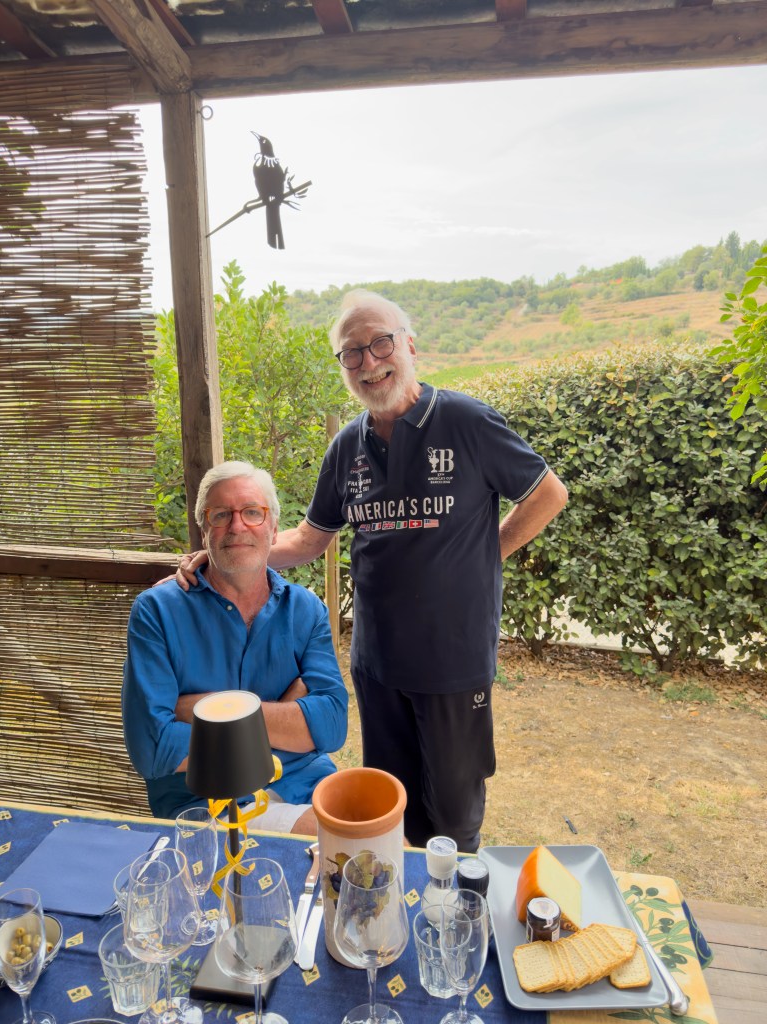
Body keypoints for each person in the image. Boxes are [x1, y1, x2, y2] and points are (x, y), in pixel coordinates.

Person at [177, 291, 567, 851]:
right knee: (389, 805)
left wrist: (485, 555)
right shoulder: (346, 448)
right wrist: (224, 553)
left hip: (452, 661)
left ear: (410, 346)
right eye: (351, 352)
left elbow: (548, 494)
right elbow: (309, 539)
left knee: (453, 821)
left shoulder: (465, 421)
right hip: (377, 663)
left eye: (380, 343)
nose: (369, 361)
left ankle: (448, 901)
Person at [123, 460, 348, 833]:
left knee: (393, 837)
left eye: (252, 512)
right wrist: (288, 717)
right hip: (205, 803)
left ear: (274, 529)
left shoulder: (305, 609)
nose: (237, 525)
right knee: (346, 838)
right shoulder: (157, 611)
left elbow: (332, 725)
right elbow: (154, 749)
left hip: (304, 781)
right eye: (221, 514)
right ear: (204, 529)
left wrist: (203, 710)